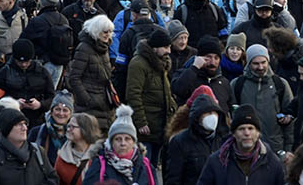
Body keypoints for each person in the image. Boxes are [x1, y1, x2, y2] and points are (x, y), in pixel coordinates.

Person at [230, 44, 294, 157]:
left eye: (263, 62)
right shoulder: (237, 85)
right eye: (255, 63)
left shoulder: (280, 84)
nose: (260, 67)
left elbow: (290, 118)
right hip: (245, 149)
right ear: (249, 63)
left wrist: (288, 148)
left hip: (275, 149)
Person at [125, 27, 177, 166]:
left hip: (159, 126)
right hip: (146, 127)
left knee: (153, 166)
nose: (169, 51)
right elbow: (133, 94)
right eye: (166, 47)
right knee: (144, 166)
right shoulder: (138, 64)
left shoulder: (161, 63)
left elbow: (165, 92)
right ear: (155, 48)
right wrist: (141, 121)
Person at [197, 104, 285, 184]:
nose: (246, 133)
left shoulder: (272, 162)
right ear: (234, 134)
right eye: (241, 129)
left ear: (258, 133)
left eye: (250, 128)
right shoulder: (217, 161)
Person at [0, 106, 58, 185]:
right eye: (19, 124)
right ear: (7, 129)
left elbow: (53, 178)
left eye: (25, 124)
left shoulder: (37, 152)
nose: (24, 128)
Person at [82, 105, 158, 185]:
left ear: (133, 142)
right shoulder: (99, 165)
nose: (123, 143)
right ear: (111, 142)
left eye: (127, 139)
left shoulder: (145, 165)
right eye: (118, 139)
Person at [67, 15, 116, 131]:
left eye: (110, 32)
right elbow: (74, 78)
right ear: (96, 31)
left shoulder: (104, 48)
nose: (108, 34)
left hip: (105, 104)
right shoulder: (84, 48)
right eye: (105, 31)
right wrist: (87, 100)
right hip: (90, 107)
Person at [0, 39, 55, 128]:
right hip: (11, 119)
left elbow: (51, 96)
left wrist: (40, 105)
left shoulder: (42, 72)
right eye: (20, 62)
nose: (24, 65)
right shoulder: (5, 72)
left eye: (27, 62)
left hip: (36, 119)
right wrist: (13, 103)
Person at [164, 93, 222, 185]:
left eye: (215, 112)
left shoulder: (222, 139)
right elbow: (173, 178)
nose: (212, 116)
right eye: (208, 113)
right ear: (197, 116)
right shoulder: (180, 141)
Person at [21, 0, 72, 88]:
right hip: (59, 64)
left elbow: (24, 40)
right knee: (51, 93)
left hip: (42, 63)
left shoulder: (38, 21)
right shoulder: (63, 19)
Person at [171, 36, 233, 109]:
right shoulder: (186, 74)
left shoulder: (224, 82)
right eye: (208, 57)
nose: (213, 62)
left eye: (216, 58)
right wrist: (194, 68)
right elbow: (178, 90)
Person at [28, 90, 74, 165]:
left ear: (71, 114)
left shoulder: (75, 134)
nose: (61, 113)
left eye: (65, 110)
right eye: (57, 109)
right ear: (51, 111)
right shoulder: (37, 132)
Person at [53, 113, 100, 185]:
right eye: (68, 126)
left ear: (85, 129)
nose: (68, 129)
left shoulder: (100, 155)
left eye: (72, 127)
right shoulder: (63, 156)